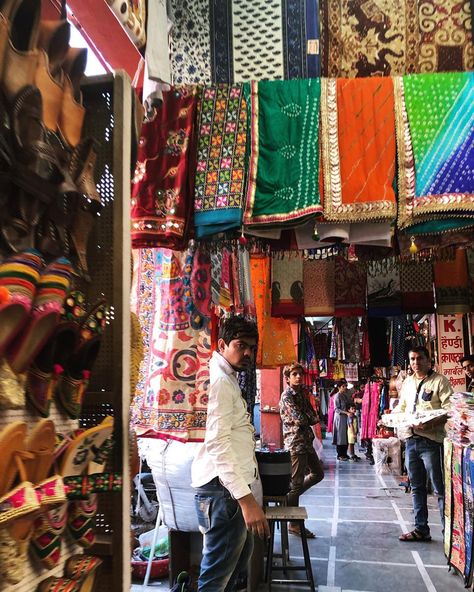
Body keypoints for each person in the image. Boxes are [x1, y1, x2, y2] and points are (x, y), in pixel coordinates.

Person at [191, 316, 270, 592]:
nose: (248, 352)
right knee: (216, 580)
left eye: (252, 347)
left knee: (232, 574)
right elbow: (217, 444)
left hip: (226, 491)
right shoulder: (220, 381)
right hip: (223, 492)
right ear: (222, 344)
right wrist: (247, 501)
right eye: (241, 345)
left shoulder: (226, 377)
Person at [395, 346, 453, 542]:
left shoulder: (439, 381)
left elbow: (449, 410)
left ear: (429, 360)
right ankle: (421, 529)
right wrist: (390, 418)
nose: (415, 362)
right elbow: (402, 408)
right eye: (412, 359)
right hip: (411, 441)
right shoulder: (408, 383)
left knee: (439, 489)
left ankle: (449, 536)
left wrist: (430, 423)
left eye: (420, 358)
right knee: (417, 487)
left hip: (432, 442)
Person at [279, 362, 324, 538]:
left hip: (306, 441)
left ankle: (290, 498)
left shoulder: (302, 394)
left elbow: (313, 417)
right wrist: (306, 417)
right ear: (288, 378)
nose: (298, 377)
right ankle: (294, 524)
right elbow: (301, 418)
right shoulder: (287, 396)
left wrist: (307, 417)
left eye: (300, 374)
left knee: (317, 474)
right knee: (295, 484)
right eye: (294, 374)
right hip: (295, 443)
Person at [332, 379, 352, 461]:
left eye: (346, 386)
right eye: (343, 386)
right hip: (340, 418)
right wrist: (346, 413)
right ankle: (340, 454)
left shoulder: (345, 395)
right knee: (340, 436)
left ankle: (344, 453)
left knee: (346, 436)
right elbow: (336, 409)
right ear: (339, 387)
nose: (345, 388)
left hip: (346, 417)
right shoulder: (337, 396)